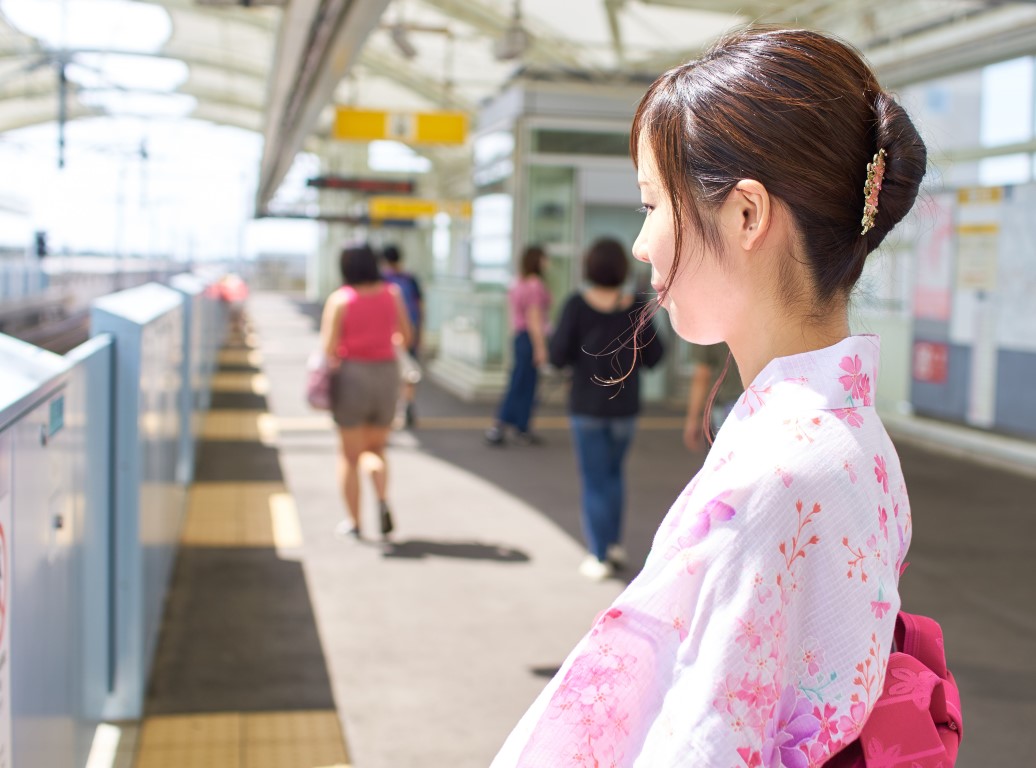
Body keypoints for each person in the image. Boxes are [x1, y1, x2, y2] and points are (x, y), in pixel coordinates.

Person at [492, 25, 926, 766]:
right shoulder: (845, 437)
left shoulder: (777, 478)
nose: (641, 244)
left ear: (747, 214)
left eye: (653, 204)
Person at [549, 237, 665, 581]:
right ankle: (613, 544)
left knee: (595, 480)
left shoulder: (576, 305)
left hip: (586, 408)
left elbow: (557, 356)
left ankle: (599, 554)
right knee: (614, 476)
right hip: (625, 409)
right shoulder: (633, 307)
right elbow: (655, 358)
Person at [319, 244, 413, 540]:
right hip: (386, 375)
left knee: (349, 456)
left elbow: (328, 348)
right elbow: (406, 336)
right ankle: (382, 499)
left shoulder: (341, 299)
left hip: (352, 377)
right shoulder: (392, 293)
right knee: (377, 449)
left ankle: (354, 521)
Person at [484, 245, 551, 446]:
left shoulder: (517, 284)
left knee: (523, 382)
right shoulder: (535, 285)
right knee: (522, 383)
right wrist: (540, 348)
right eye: (545, 258)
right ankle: (501, 425)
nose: (548, 263)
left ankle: (522, 425)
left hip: (519, 337)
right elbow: (534, 319)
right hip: (530, 338)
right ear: (537, 261)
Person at [381, 244, 424, 428]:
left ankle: (390, 408)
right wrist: (419, 332)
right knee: (409, 371)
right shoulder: (410, 279)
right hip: (410, 332)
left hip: (389, 335)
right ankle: (408, 404)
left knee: (389, 372)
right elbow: (421, 307)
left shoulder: (382, 280)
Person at [683, 341, 743, 451]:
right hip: (760, 399)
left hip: (725, 405)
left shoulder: (709, 328)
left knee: (725, 460)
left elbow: (702, 376)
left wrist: (693, 419)